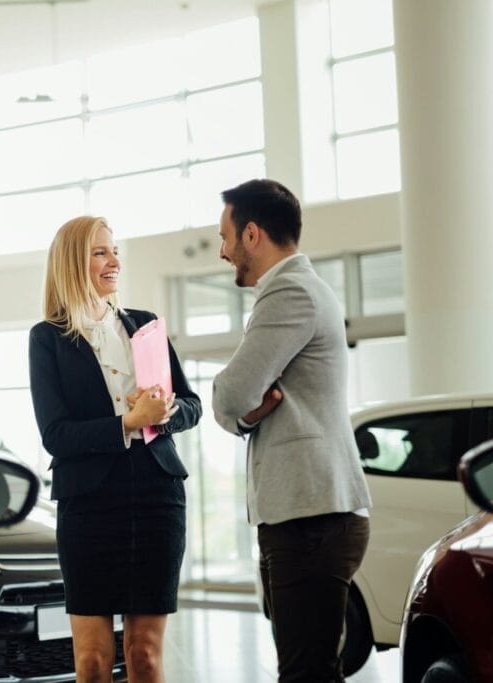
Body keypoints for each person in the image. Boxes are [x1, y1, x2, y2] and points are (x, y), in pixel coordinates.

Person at [211, 179, 372, 682]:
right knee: (311, 668)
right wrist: (248, 415)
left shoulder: (289, 292)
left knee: (306, 673)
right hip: (309, 515)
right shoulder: (303, 288)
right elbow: (245, 405)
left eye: (225, 237)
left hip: (311, 517)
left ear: (252, 234)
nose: (222, 251)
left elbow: (229, 395)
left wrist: (239, 409)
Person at [29, 216, 201, 683]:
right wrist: (127, 422)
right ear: (72, 263)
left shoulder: (145, 327)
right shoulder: (47, 338)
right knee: (91, 660)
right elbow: (56, 434)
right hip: (88, 505)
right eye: (100, 252)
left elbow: (191, 405)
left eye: (115, 251)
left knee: (144, 654)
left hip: (157, 497)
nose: (114, 261)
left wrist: (163, 413)